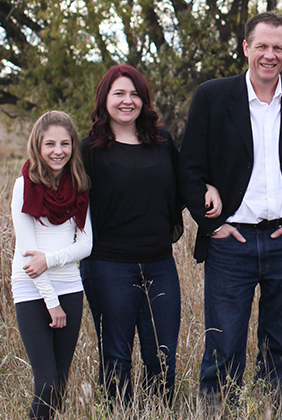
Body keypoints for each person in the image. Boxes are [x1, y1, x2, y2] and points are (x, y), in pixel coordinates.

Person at [178, 11, 282, 398]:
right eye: (261, 45)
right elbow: (189, 167)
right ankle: (217, 409)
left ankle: (269, 409)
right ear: (245, 48)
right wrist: (211, 224)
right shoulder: (212, 96)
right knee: (223, 347)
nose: (269, 54)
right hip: (232, 242)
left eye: (278, 47)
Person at [80, 64, 183, 405]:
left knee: (162, 358)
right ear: (104, 100)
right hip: (108, 265)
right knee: (116, 358)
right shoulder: (89, 150)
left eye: (134, 94)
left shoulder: (162, 142)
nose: (128, 101)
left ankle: (158, 412)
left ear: (144, 100)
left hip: (159, 264)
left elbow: (184, 188)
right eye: (119, 94)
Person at [11, 110, 92, 419]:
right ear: (38, 146)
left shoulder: (79, 186)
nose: (58, 151)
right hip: (33, 290)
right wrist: (52, 301)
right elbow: (28, 255)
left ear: (73, 146)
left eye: (65, 143)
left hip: (71, 285)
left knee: (59, 384)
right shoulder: (25, 186)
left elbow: (86, 244)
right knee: (45, 383)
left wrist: (53, 259)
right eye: (50, 144)